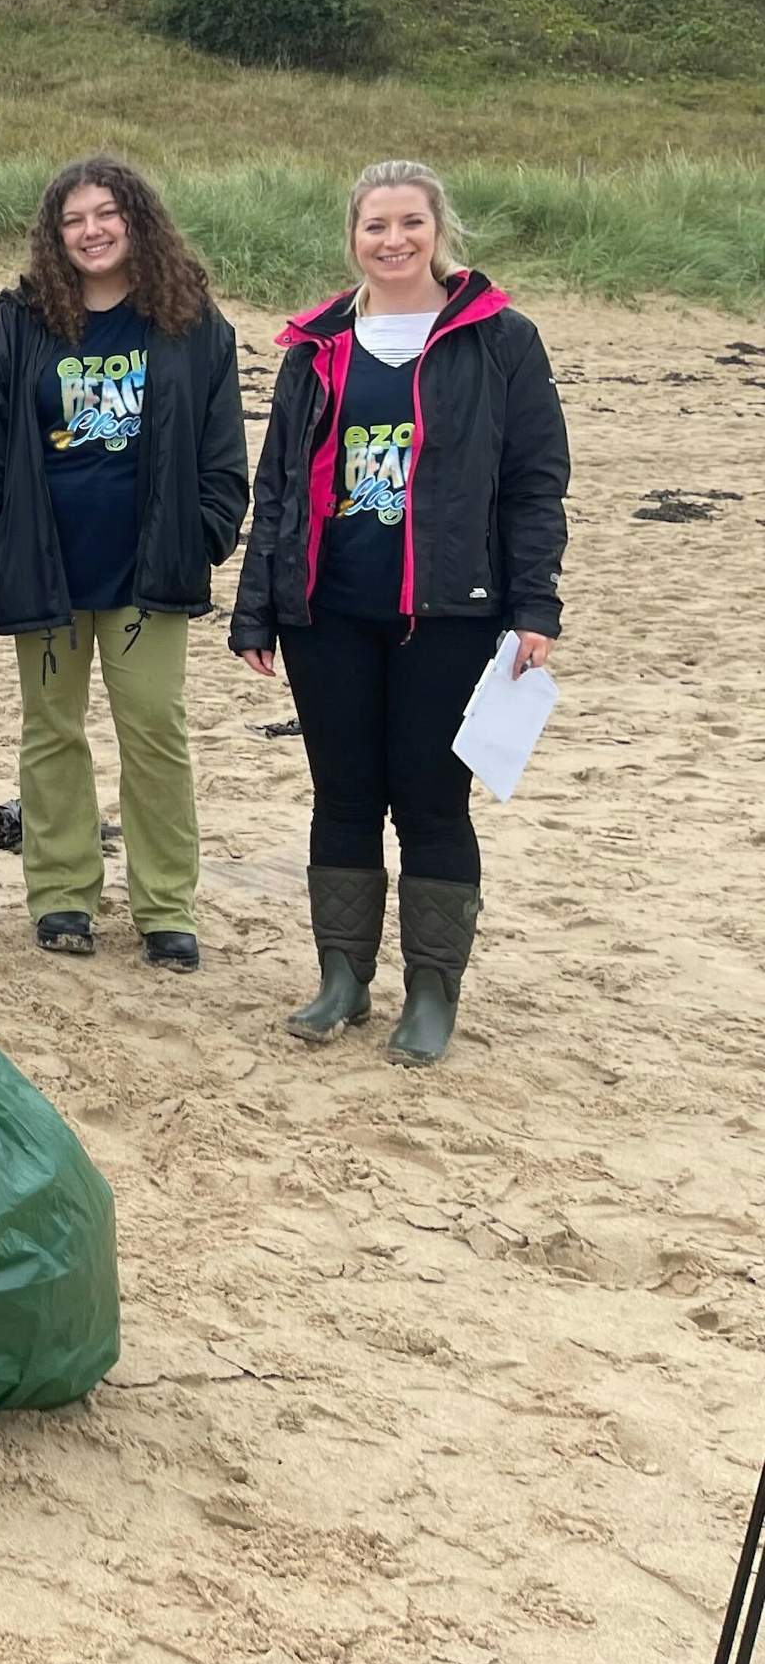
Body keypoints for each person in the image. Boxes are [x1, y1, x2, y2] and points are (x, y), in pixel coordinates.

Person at [231, 160, 567, 1065]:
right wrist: (259, 605)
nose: (393, 241)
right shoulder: (315, 346)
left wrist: (536, 606)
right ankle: (342, 978)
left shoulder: (499, 340)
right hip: (328, 611)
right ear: (353, 236)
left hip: (452, 615)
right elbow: (282, 485)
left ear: (438, 228)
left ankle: (431, 992)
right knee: (342, 795)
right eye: (375, 225)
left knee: (430, 799)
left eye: (410, 223)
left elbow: (535, 485)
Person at [0, 157, 249, 973]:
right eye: (74, 219)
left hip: (149, 571)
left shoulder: (189, 323)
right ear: (55, 233)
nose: (91, 231)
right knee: (52, 732)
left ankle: (165, 907)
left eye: (107, 214)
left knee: (154, 731)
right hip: (44, 570)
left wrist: (205, 534)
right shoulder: (21, 321)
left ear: (137, 220)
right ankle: (63, 896)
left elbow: (224, 454)